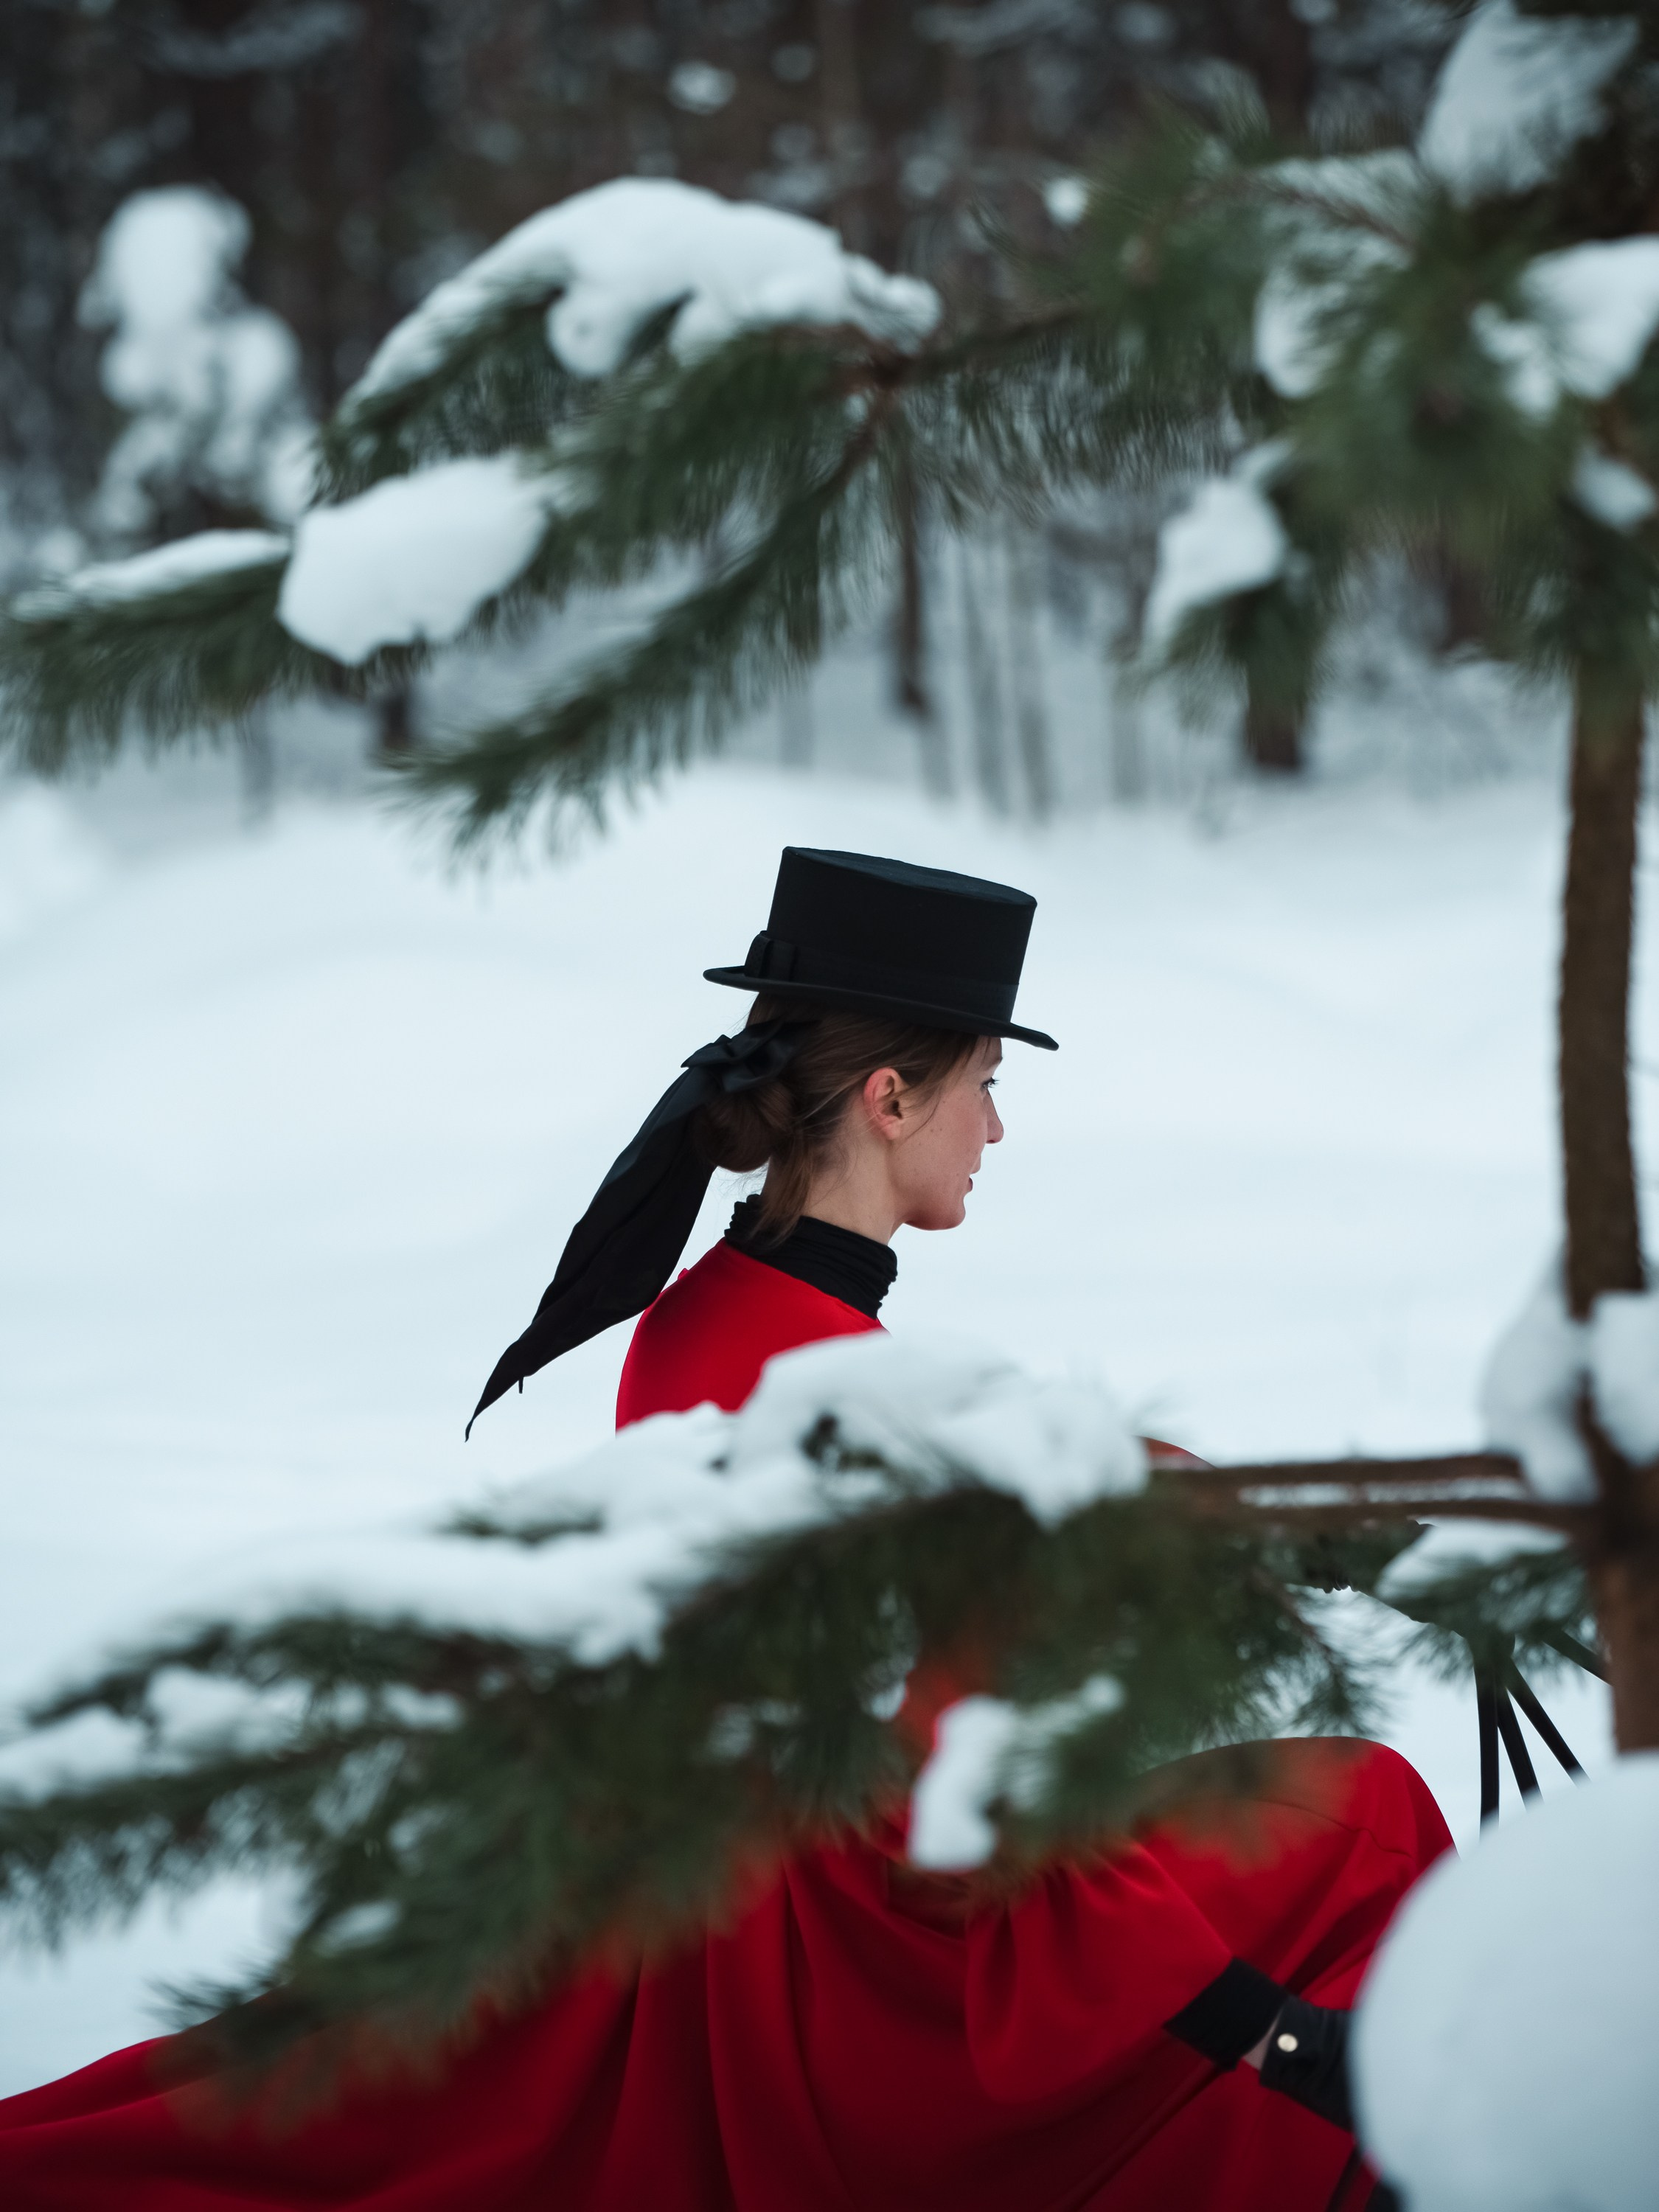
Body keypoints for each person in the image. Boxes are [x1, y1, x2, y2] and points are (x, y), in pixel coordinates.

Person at [0, 848, 1447, 2212]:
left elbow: (1023, 1473)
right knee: (1371, 1828)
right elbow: (932, 1791)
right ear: (890, 1098)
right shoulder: (806, 1371)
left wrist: (1311, 1531)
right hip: (859, 1996)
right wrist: (1250, 2030)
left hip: (779, 1932)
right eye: (984, 1086)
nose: (995, 1128)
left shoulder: (727, 1315)